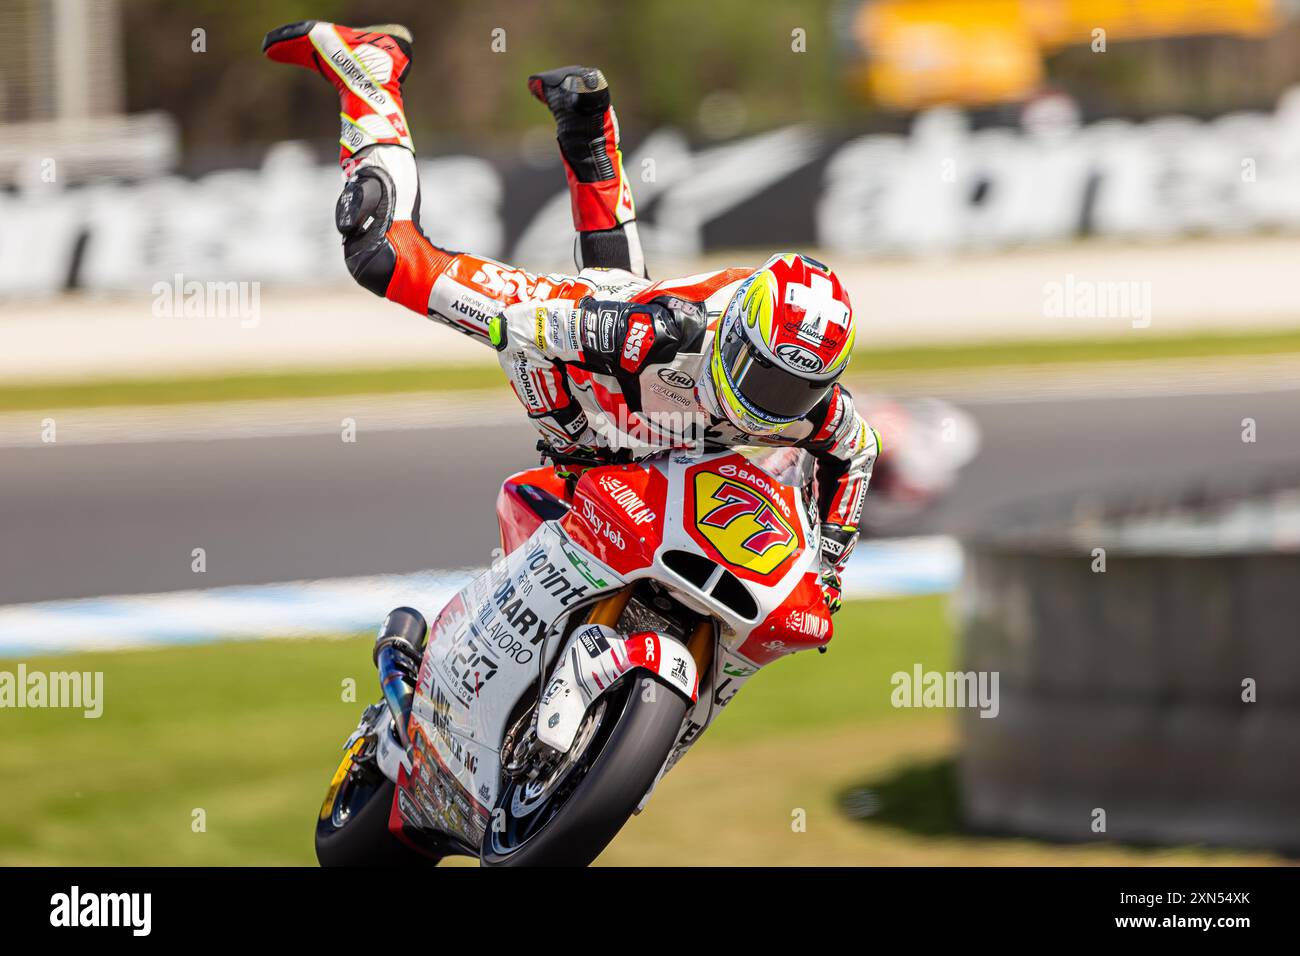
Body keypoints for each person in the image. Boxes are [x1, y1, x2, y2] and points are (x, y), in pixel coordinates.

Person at [262, 20, 880, 613]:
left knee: (620, 336)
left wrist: (828, 570)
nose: (776, 402)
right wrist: (501, 321)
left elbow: (856, 450)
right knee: (383, 255)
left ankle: (586, 126)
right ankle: (370, 67)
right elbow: (572, 311)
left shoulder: (814, 406)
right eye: (767, 378)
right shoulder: (660, 332)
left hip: (632, 405)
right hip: (567, 333)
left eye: (799, 389)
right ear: (737, 342)